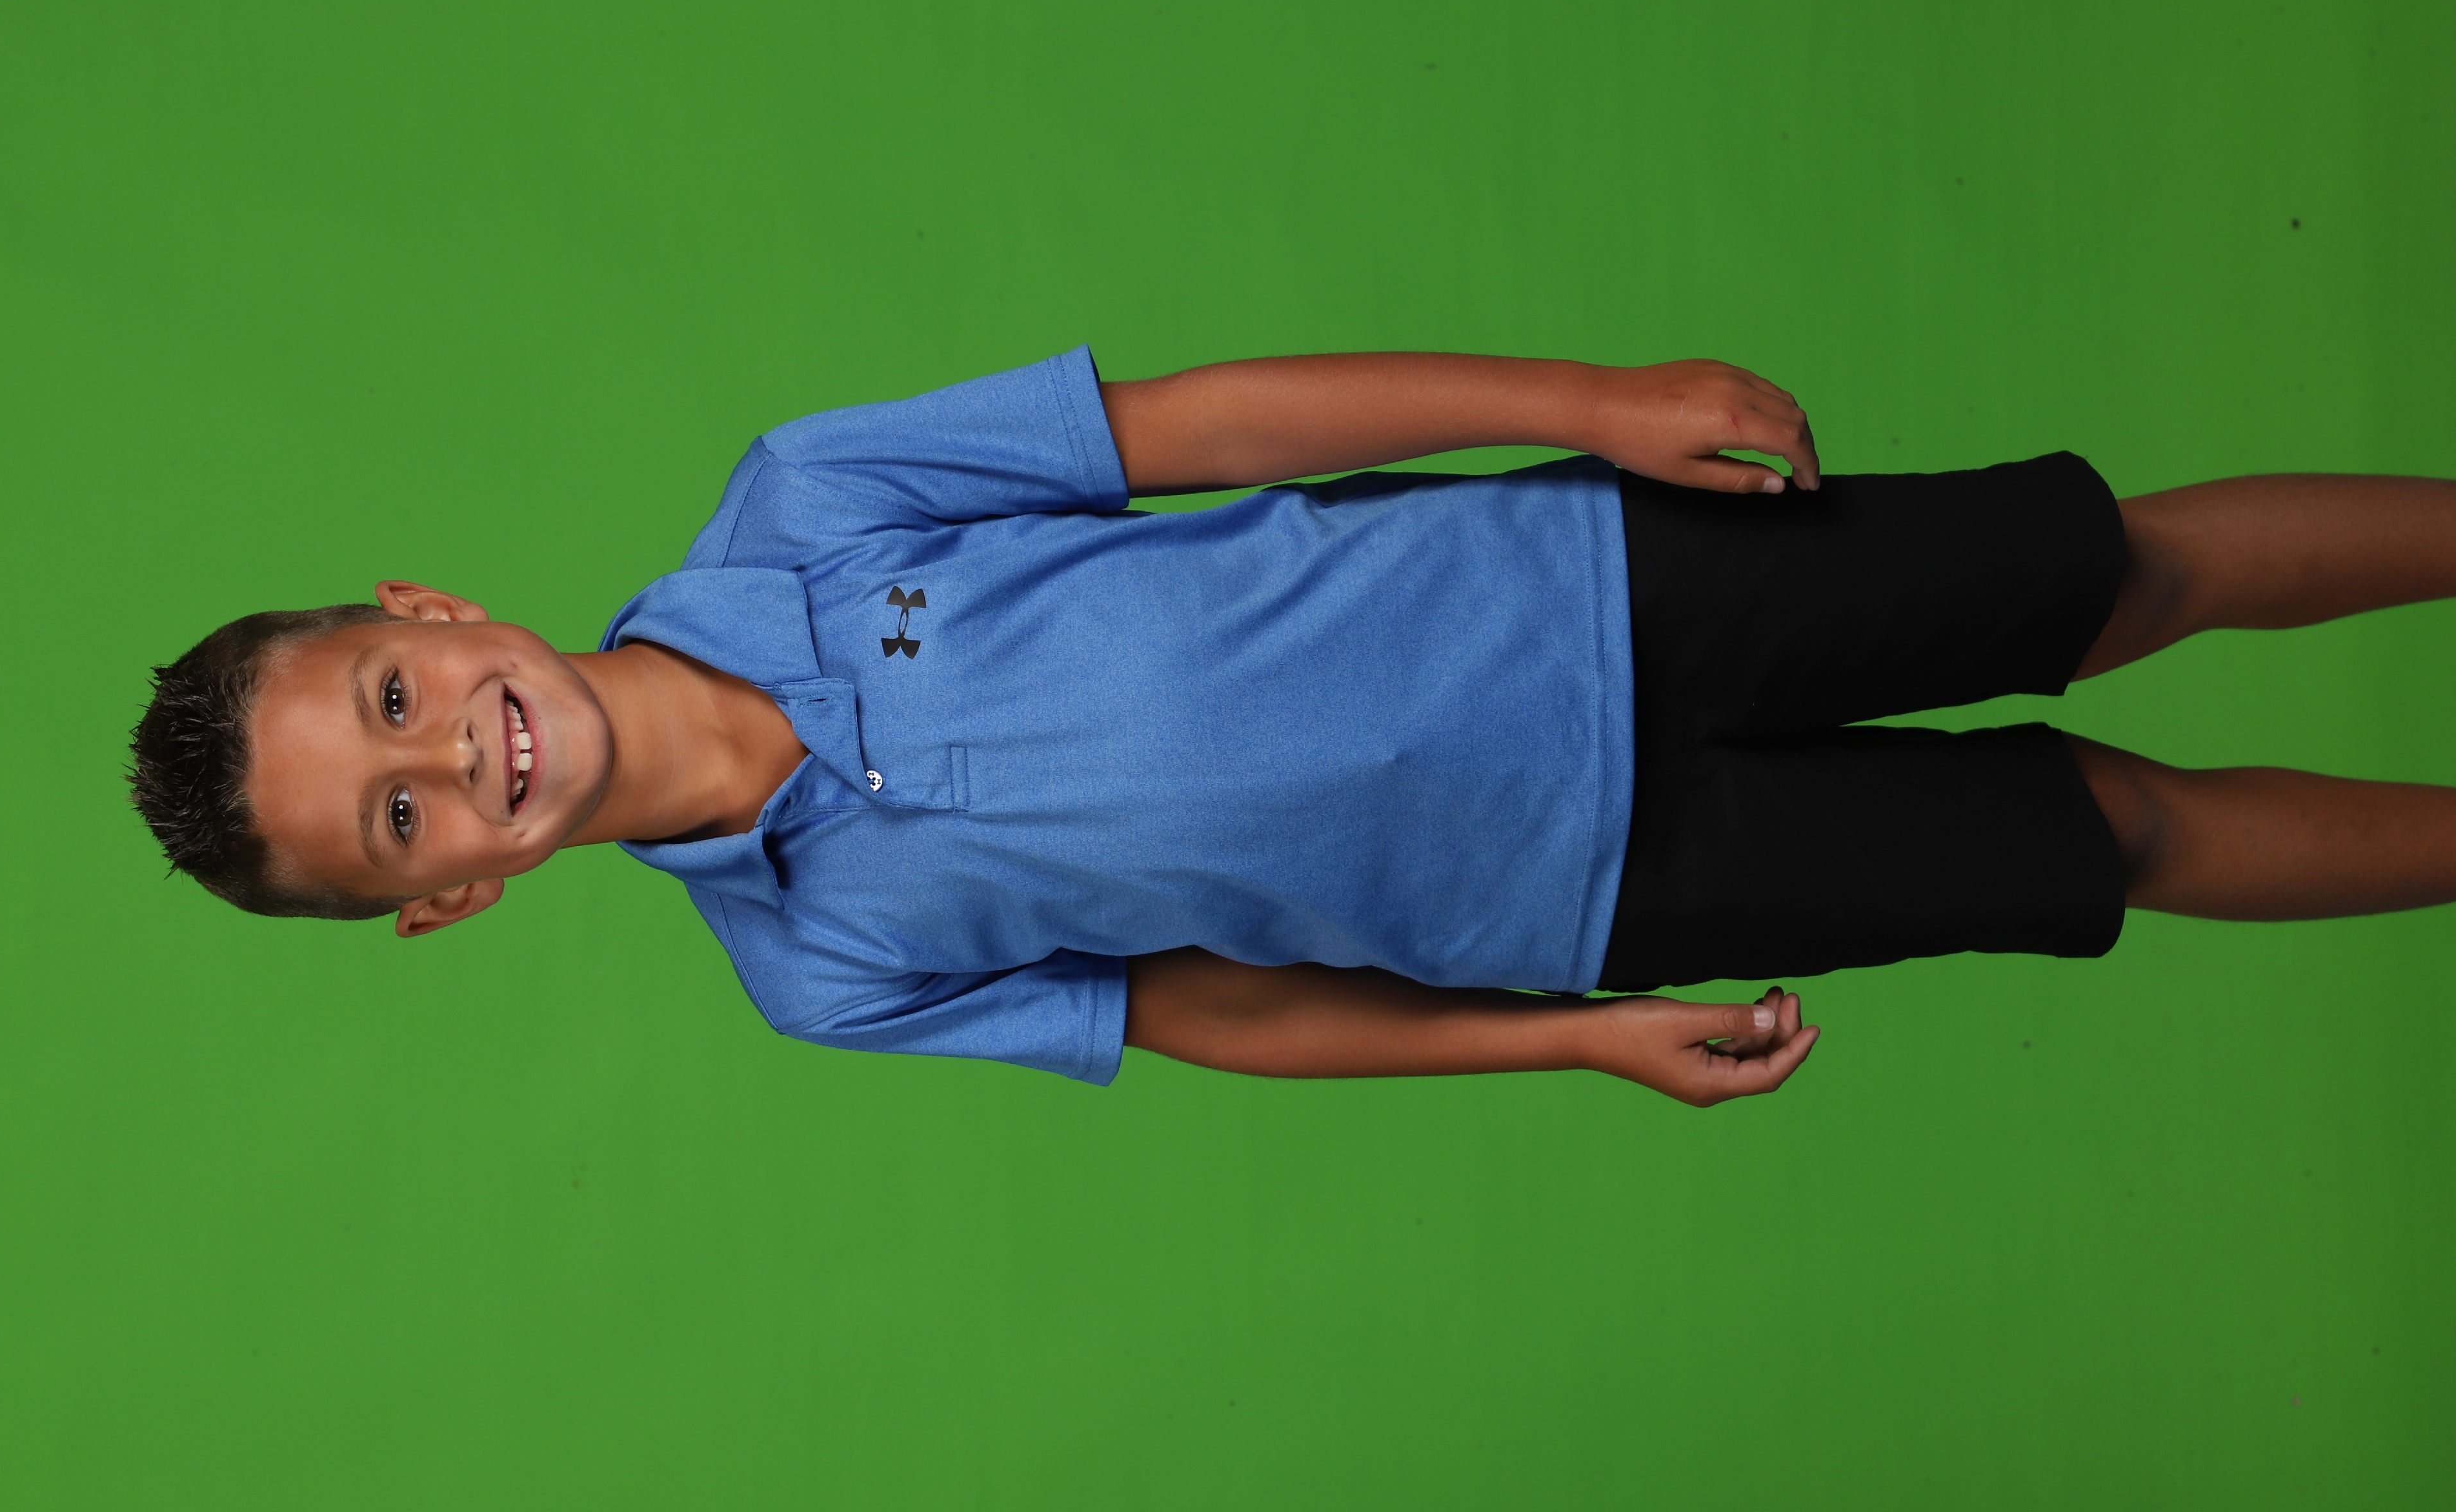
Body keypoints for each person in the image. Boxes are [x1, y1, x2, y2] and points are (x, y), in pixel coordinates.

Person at [128, 350, 2456, 1105]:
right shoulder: (820, 973)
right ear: (444, 903)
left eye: (396, 701)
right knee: (2112, 833)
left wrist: (1582, 404)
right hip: (1589, 895)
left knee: (2115, 576)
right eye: (402, 818)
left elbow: (1211, 428)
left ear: (428, 611)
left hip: (1597, 588)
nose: (457, 758)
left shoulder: (812, 501)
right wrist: (1572, 1041)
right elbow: (1217, 1012)